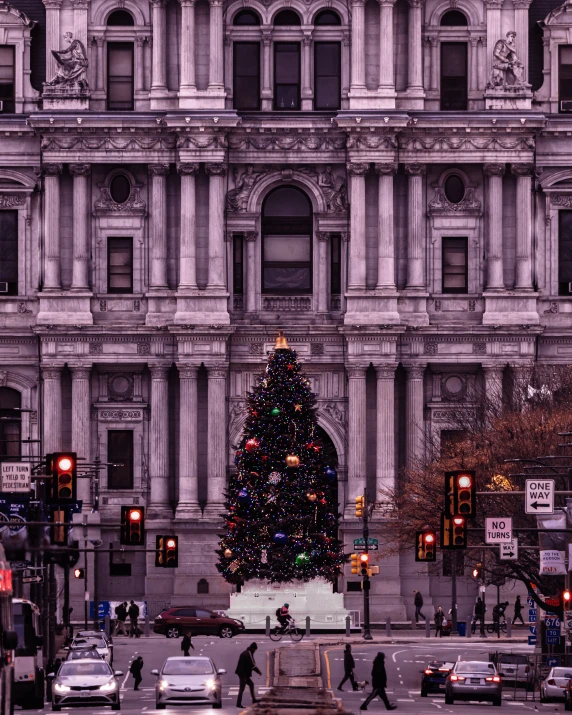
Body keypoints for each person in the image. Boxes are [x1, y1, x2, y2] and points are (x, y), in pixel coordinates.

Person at [235, 642, 261, 708]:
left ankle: (254, 700)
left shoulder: (247, 652)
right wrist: (258, 672)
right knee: (242, 689)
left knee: (251, 684)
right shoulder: (248, 654)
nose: (255, 651)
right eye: (255, 650)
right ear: (253, 648)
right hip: (243, 673)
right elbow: (252, 665)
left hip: (244, 673)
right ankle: (238, 704)